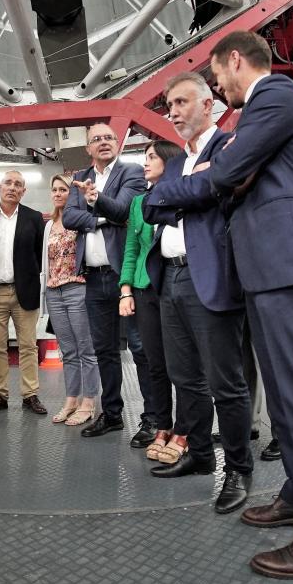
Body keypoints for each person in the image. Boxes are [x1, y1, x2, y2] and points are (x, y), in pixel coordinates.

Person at [200, 31, 293, 578]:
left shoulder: (277, 94)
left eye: (217, 75)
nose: (217, 87)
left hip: (287, 269)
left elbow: (226, 173)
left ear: (236, 59)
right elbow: (235, 174)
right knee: (284, 403)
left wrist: (222, 175)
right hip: (267, 273)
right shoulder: (257, 113)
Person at [141, 72, 254, 517]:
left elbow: (214, 188)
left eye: (183, 102)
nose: (174, 112)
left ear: (209, 105)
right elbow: (149, 205)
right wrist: (188, 190)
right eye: (170, 104)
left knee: (226, 382)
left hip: (209, 277)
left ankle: (239, 469)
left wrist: (182, 193)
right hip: (169, 278)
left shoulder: (226, 147)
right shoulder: (174, 163)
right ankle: (202, 455)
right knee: (184, 377)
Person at [63, 122, 153, 442]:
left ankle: (152, 419)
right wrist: (102, 218)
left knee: (141, 348)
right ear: (87, 148)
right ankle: (113, 414)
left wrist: (97, 200)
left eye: (108, 138)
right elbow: (68, 218)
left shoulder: (131, 172)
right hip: (94, 277)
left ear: (118, 143)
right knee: (104, 351)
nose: (103, 142)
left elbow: (125, 208)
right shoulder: (81, 177)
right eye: (96, 139)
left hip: (124, 277)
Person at [119, 140, 183, 458]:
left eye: (152, 157)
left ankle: (184, 431)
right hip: (145, 290)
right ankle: (162, 424)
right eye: (144, 157)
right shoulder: (138, 203)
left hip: (174, 286)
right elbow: (132, 248)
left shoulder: (181, 195)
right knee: (154, 363)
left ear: (168, 161)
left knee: (183, 364)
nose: (145, 163)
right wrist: (126, 289)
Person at [0, 171, 47, 416]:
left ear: (24, 191)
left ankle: (30, 395)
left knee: (28, 345)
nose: (12, 187)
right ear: (0, 187)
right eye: (8, 183)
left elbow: (41, 255)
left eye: (18, 184)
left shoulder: (33, 218)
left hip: (25, 291)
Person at [43, 173, 100, 425]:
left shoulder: (79, 221)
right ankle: (71, 399)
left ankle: (89, 402)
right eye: (54, 190)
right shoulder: (48, 226)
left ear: (72, 193)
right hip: (54, 291)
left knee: (85, 349)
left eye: (63, 190)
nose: (57, 194)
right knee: (67, 351)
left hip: (78, 288)